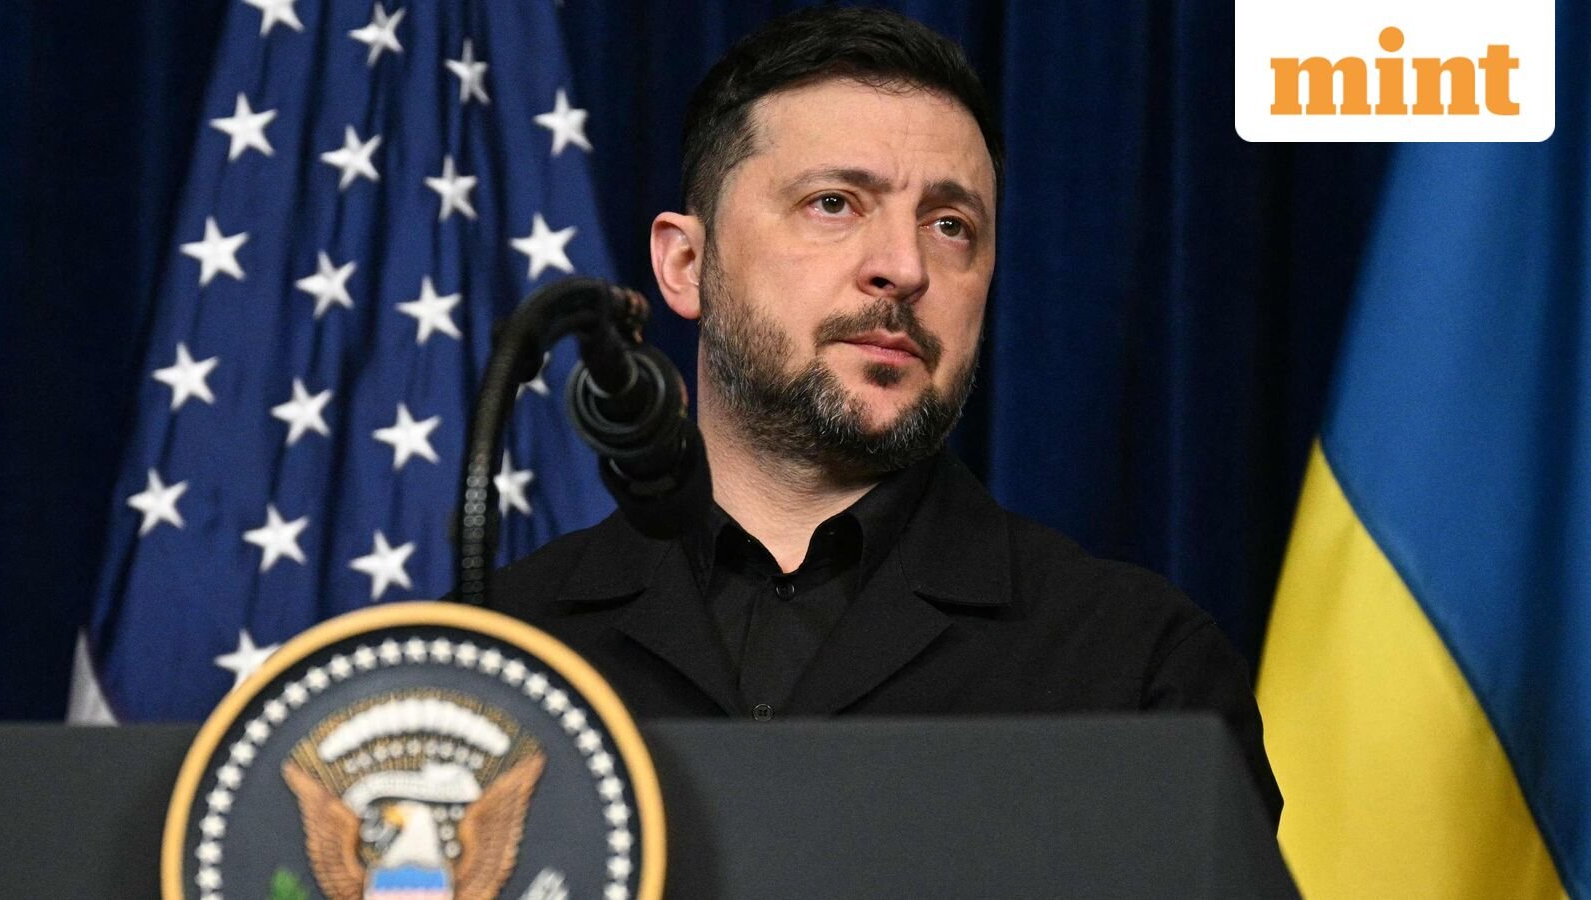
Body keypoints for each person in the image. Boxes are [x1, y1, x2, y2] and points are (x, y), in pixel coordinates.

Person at [489, 6, 1281, 822]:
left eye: (950, 226)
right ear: (686, 264)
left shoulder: (1137, 671)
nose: (905, 268)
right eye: (834, 203)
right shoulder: (496, 654)